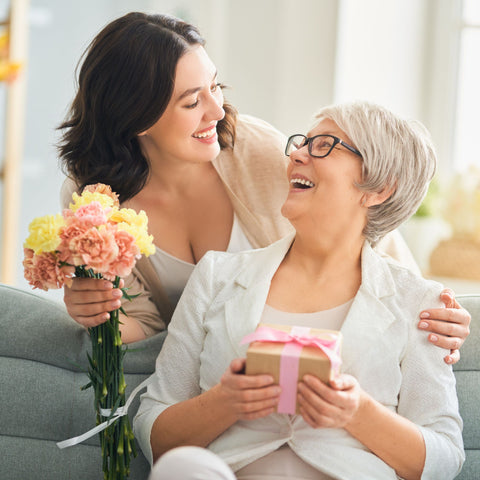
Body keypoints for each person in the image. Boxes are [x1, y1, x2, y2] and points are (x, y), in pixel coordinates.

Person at [59, 12, 470, 361]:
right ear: (137, 118)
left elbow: (361, 223)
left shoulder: (253, 149)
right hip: (213, 370)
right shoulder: (93, 202)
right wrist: (98, 313)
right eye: (191, 102)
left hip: (308, 352)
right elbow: (147, 326)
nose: (217, 110)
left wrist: (428, 311)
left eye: (214, 86)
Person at [133, 101, 464, 480]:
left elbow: (445, 459)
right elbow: (153, 430)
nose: (296, 154)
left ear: (379, 188)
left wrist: (359, 413)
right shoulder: (216, 276)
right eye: (301, 143)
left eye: (324, 145)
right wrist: (224, 403)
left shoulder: (420, 302)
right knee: (181, 468)